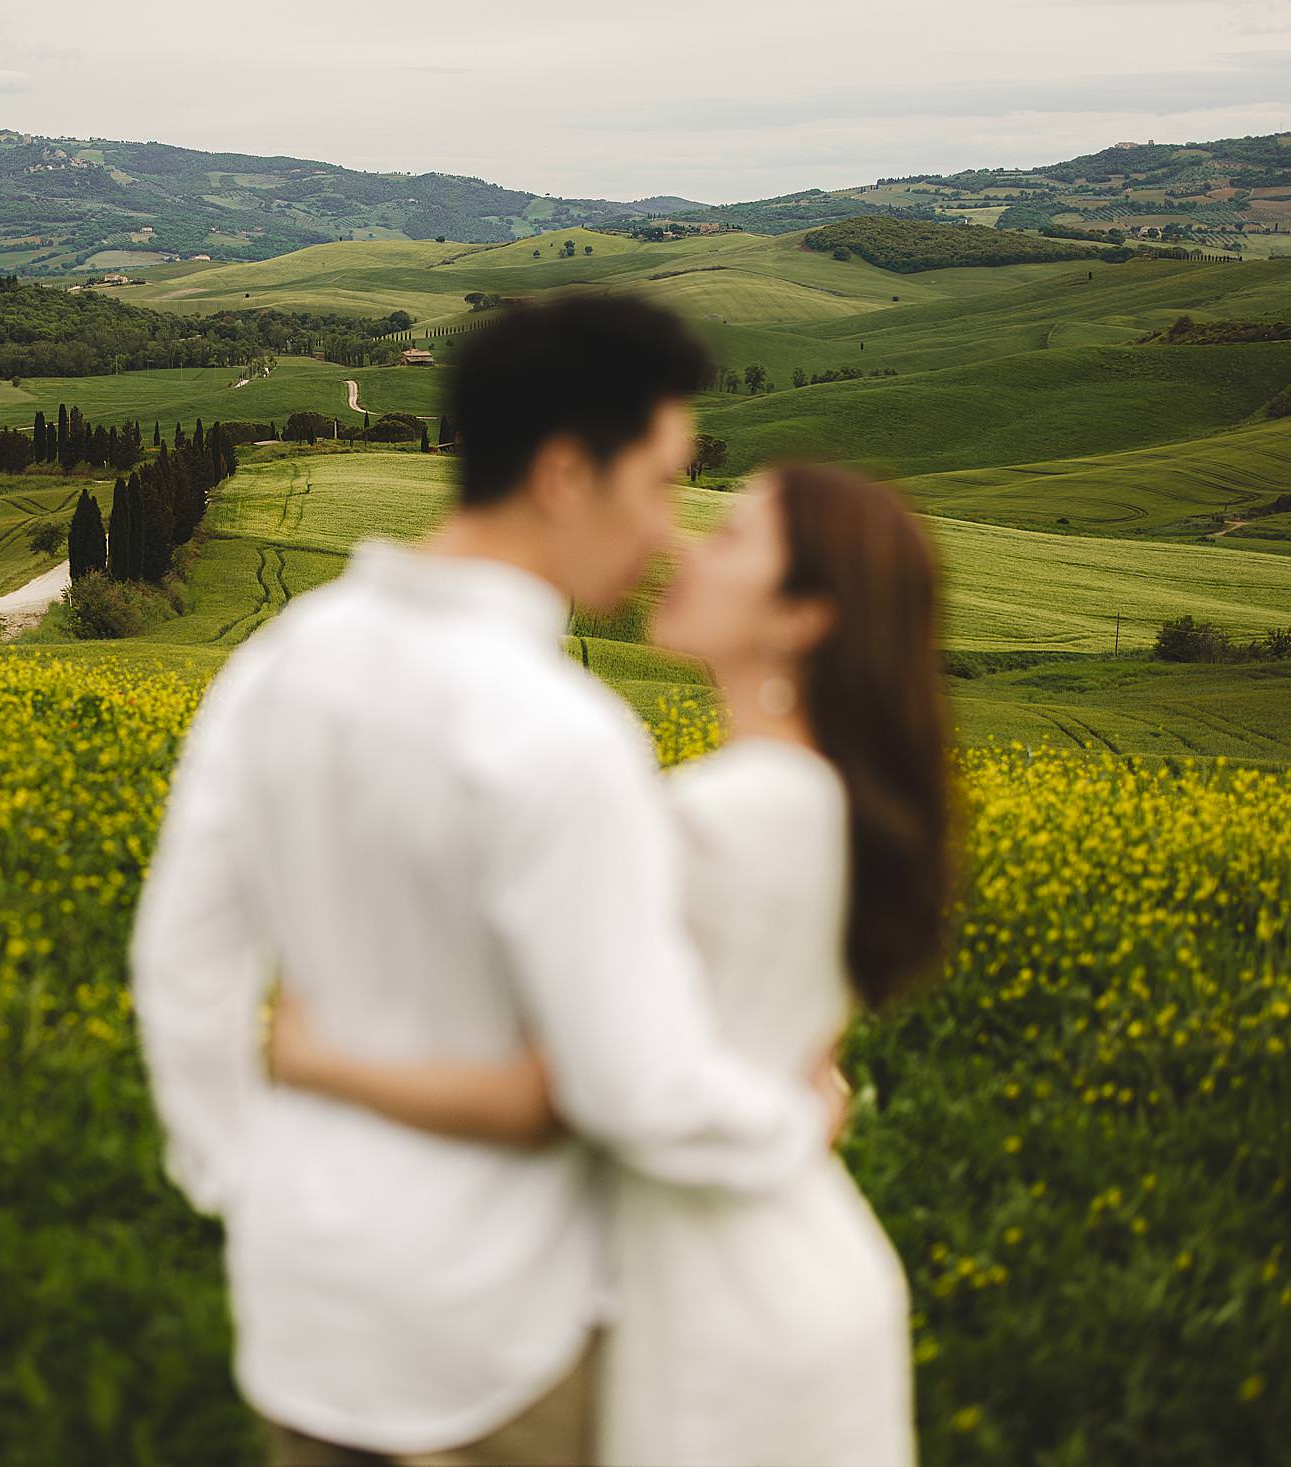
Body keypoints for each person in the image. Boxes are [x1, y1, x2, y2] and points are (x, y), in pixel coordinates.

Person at [131, 294, 840, 1465]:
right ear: (567, 473)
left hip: (304, 1308)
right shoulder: (560, 733)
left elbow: (182, 966)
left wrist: (238, 1176)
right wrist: (791, 1120)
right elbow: (632, 1088)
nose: (669, 532)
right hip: (497, 1331)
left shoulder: (283, 658)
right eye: (658, 484)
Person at [269, 461, 953, 1466]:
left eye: (728, 539)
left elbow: (565, 1093)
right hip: (812, 1271)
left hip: (712, 1308)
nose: (681, 544)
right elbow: (809, 1064)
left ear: (803, 614)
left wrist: (311, 1057)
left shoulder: (713, 820)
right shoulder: (830, 808)